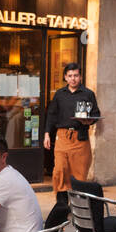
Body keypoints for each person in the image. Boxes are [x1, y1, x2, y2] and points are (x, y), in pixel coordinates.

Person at [43, 62, 100, 205]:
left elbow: (96, 114)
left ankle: (78, 208)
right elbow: (51, 115)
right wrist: (47, 134)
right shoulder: (59, 94)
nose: (73, 78)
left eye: (76, 75)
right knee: (59, 171)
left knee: (79, 175)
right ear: (65, 77)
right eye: (70, 76)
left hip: (80, 139)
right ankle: (61, 205)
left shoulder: (88, 94)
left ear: (80, 77)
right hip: (62, 137)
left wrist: (89, 122)